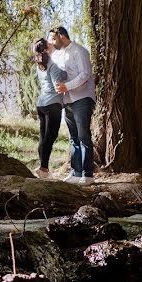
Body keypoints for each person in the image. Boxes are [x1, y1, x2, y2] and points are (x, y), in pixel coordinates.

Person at [48, 26, 96, 186]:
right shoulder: (59, 55)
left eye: (54, 39)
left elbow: (85, 75)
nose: (52, 42)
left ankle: (87, 175)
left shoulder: (79, 51)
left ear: (62, 36)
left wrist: (66, 86)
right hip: (67, 100)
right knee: (73, 138)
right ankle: (75, 173)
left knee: (83, 136)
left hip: (82, 98)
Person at [32, 38, 67, 179]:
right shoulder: (52, 65)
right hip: (52, 105)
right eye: (49, 43)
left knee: (43, 137)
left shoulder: (40, 65)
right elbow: (58, 86)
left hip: (41, 104)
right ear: (46, 49)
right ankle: (44, 169)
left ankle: (42, 167)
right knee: (49, 137)